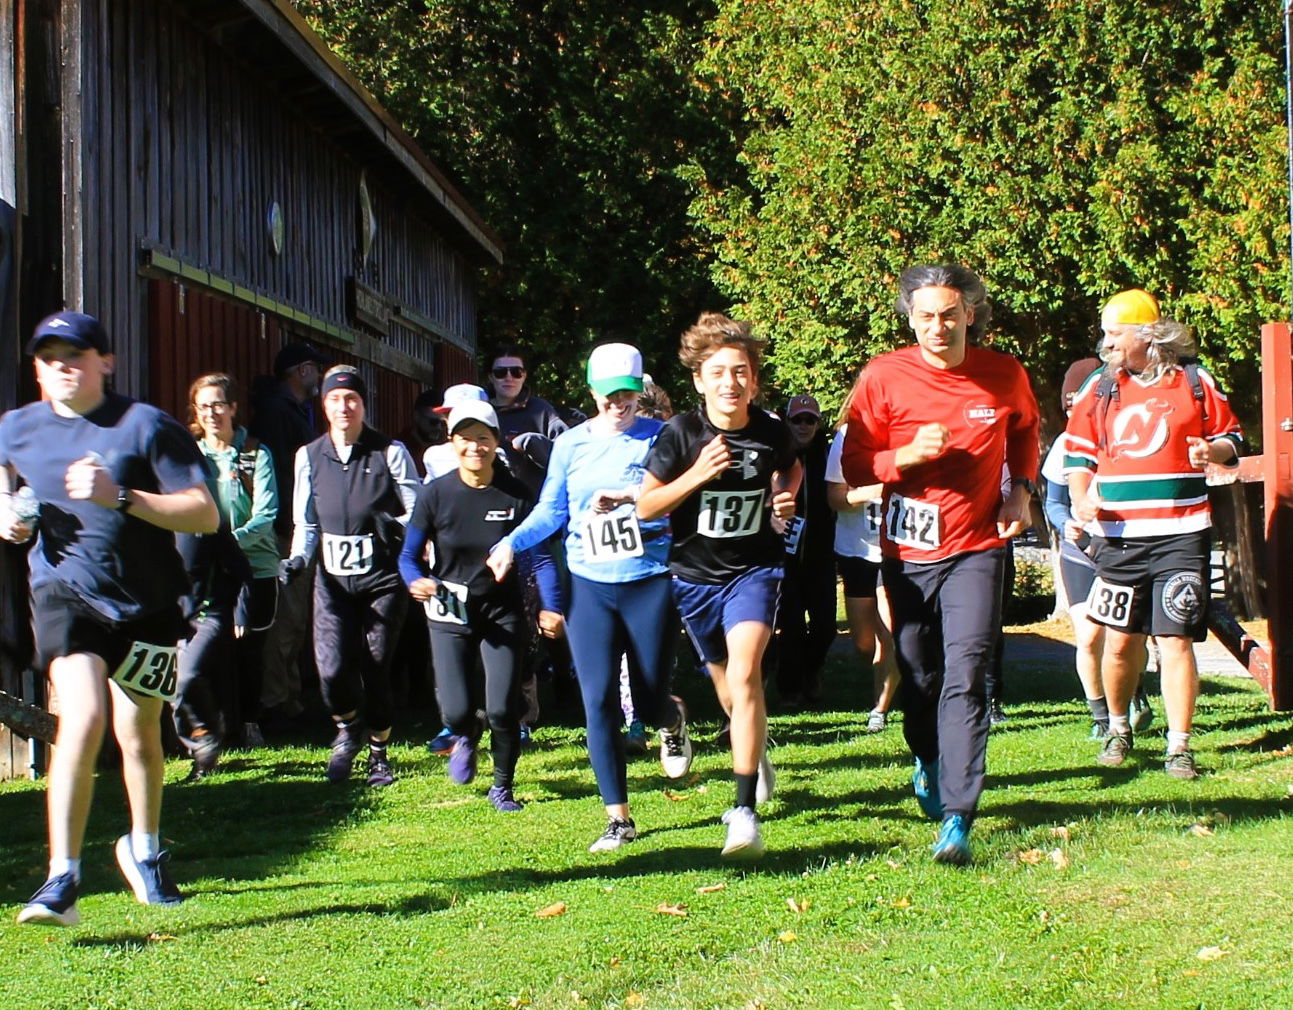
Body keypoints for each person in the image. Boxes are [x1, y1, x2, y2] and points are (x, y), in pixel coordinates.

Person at [1, 312, 218, 925]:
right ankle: (61, 878)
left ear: (106, 361)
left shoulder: (144, 425)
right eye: (49, 356)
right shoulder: (17, 428)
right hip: (64, 592)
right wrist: (8, 516)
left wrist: (119, 497)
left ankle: (144, 849)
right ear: (37, 367)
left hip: (147, 603)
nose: (62, 365)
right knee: (84, 716)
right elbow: (3, 485)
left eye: (77, 353)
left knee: (140, 733)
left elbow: (203, 515)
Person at [842, 264, 1039, 865]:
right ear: (910, 318)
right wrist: (901, 457)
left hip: (977, 545)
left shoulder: (1003, 374)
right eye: (925, 316)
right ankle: (927, 757)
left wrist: (1021, 489)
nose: (938, 326)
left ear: (969, 315)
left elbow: (1027, 433)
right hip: (907, 553)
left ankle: (959, 815)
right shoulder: (882, 377)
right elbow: (853, 466)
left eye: (949, 314)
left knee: (967, 672)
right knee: (919, 672)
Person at [487, 343, 690, 851]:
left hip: (648, 580)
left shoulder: (661, 438)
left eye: (626, 393)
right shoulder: (571, 444)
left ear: (639, 391)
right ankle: (618, 819)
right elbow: (552, 510)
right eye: (607, 394)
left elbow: (680, 504)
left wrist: (638, 504)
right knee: (597, 700)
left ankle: (671, 717)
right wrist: (510, 543)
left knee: (644, 698)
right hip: (590, 585)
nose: (617, 404)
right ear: (592, 391)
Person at [638, 312, 801, 859]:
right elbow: (646, 506)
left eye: (741, 372)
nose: (731, 382)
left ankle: (744, 811)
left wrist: (784, 492)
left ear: (754, 380)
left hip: (755, 569)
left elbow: (791, 465)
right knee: (731, 694)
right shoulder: (681, 433)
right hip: (695, 578)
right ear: (699, 379)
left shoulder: (772, 431)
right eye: (720, 372)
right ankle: (752, 751)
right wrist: (696, 475)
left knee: (747, 669)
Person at [1064, 289, 1241, 779]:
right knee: (1120, 642)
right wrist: (1082, 497)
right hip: (1119, 537)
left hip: (1182, 532)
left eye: (1115, 332)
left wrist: (1214, 452)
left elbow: (1234, 438)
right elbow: (1078, 456)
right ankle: (1119, 729)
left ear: (1146, 334)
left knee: (1176, 639)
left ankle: (1179, 745)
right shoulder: (1098, 387)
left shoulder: (1194, 380)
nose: (1107, 342)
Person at [280, 365, 418, 787]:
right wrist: (297, 560)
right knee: (332, 669)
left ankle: (379, 751)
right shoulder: (309, 456)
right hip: (334, 581)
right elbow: (306, 524)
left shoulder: (389, 452)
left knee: (376, 666)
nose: (344, 407)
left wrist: (395, 528)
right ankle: (347, 728)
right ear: (323, 405)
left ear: (363, 404)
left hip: (382, 580)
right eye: (335, 399)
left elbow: (418, 513)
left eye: (352, 399)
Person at [400, 400, 535, 812]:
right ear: (451, 441)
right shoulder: (435, 494)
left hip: (502, 610)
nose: (474, 446)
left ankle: (502, 787)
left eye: (483, 437)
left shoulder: (515, 492)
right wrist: (415, 580)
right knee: (457, 711)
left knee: (502, 707)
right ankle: (465, 734)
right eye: (464, 438)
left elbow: (539, 554)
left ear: (496, 442)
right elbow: (407, 556)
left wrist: (552, 604)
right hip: (449, 611)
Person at [1041, 357, 1152, 738]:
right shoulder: (1063, 445)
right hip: (1079, 551)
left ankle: (1133, 691)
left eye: (1083, 399)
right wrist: (1065, 524)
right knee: (1089, 636)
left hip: (1123, 546)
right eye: (1070, 402)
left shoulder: (1129, 433)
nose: (1077, 408)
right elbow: (1053, 502)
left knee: (1128, 635)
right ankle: (1100, 715)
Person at [182, 374, 280, 759]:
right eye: (204, 406)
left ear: (234, 408)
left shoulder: (256, 453)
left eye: (219, 404)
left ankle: (250, 724)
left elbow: (266, 514)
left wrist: (225, 545)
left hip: (254, 565)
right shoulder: (190, 455)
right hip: (206, 571)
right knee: (206, 652)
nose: (212, 413)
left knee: (249, 650)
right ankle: (215, 727)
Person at [250, 341, 326, 726]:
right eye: (315, 369)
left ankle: (290, 696)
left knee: (295, 619)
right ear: (302, 371)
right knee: (286, 618)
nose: (319, 378)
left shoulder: (289, 410)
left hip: (294, 527)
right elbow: (281, 473)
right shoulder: (278, 412)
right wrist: (292, 526)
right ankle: (277, 702)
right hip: (285, 531)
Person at [825, 403, 900, 734]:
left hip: (894, 548)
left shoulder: (908, 436)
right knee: (864, 643)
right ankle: (888, 676)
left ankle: (879, 708)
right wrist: (873, 492)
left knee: (890, 631)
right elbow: (835, 497)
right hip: (856, 549)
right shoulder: (845, 437)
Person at [771, 394, 837, 708]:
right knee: (792, 626)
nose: (803, 425)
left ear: (818, 423)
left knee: (825, 626)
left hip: (821, 556)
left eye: (809, 419)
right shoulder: (778, 455)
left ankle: (811, 672)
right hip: (784, 558)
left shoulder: (828, 455)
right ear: (787, 422)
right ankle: (790, 689)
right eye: (797, 419)